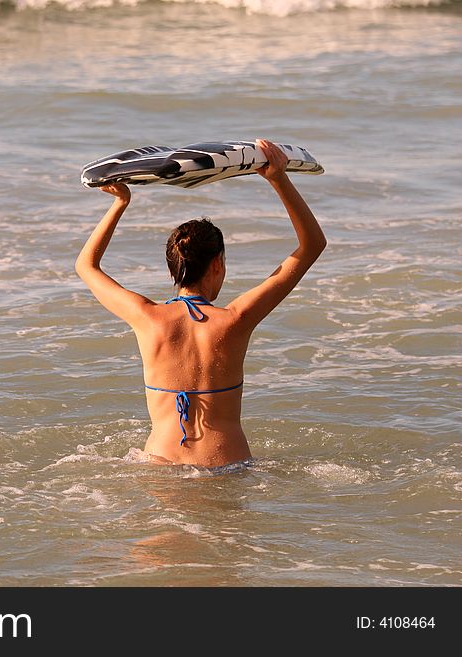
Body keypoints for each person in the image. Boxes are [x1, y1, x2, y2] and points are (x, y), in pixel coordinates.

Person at [75, 139, 326, 468]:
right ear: (217, 265)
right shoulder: (236, 319)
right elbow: (312, 245)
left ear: (172, 267)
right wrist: (278, 179)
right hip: (225, 465)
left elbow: (86, 266)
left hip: (159, 464)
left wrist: (120, 202)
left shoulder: (147, 318)